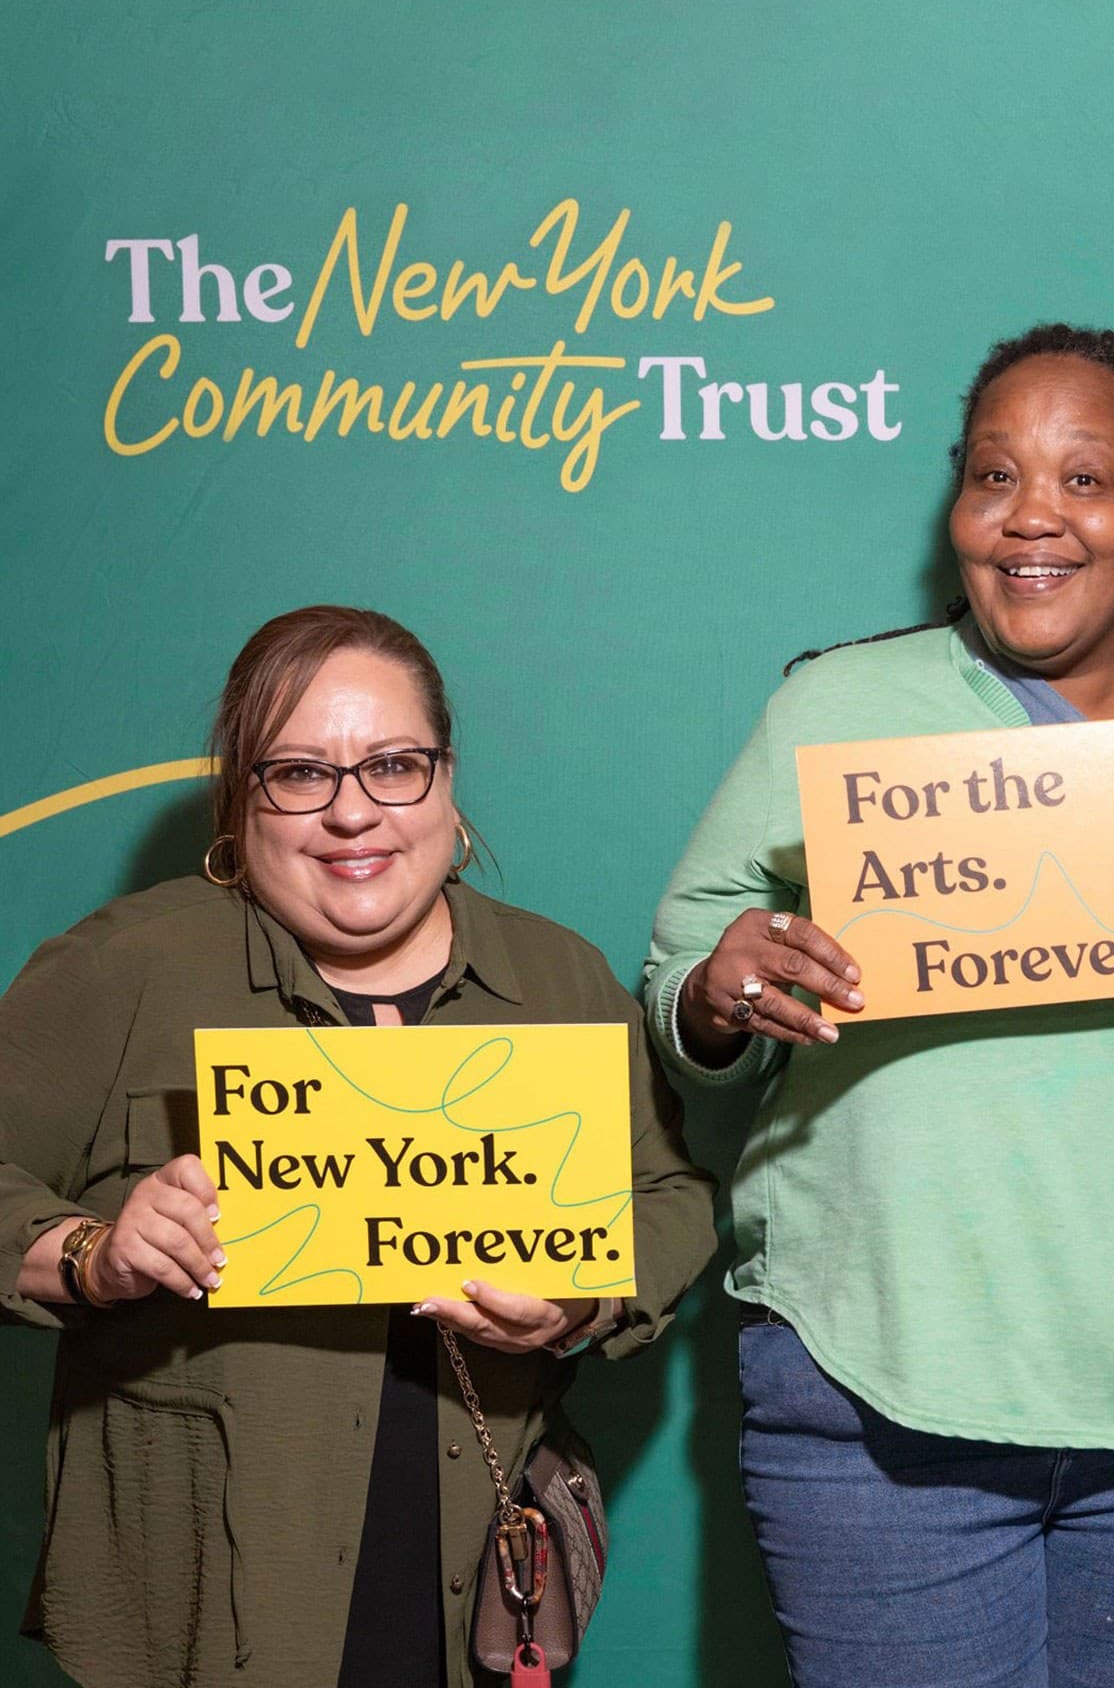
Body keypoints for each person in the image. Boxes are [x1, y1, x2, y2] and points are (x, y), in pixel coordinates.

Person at [641, 322, 1114, 1688]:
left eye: (1085, 480)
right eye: (995, 478)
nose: (1033, 518)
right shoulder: (838, 708)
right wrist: (718, 994)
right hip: (882, 1402)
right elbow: (687, 987)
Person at [0, 605, 716, 1688]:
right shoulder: (128, 966)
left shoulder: (557, 979)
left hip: (467, 1587)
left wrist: (580, 1294)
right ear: (241, 796)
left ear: (446, 778)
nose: (352, 813)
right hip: (205, 1600)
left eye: (393, 764)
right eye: (298, 772)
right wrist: (92, 1251)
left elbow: (668, 1189)